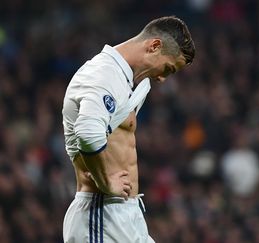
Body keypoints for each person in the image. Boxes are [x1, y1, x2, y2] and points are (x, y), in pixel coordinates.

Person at [62, 16, 195, 243]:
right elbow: (87, 132)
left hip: (126, 213)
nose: (163, 78)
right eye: (168, 68)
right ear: (154, 46)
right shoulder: (103, 74)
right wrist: (106, 181)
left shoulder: (132, 81)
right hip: (100, 215)